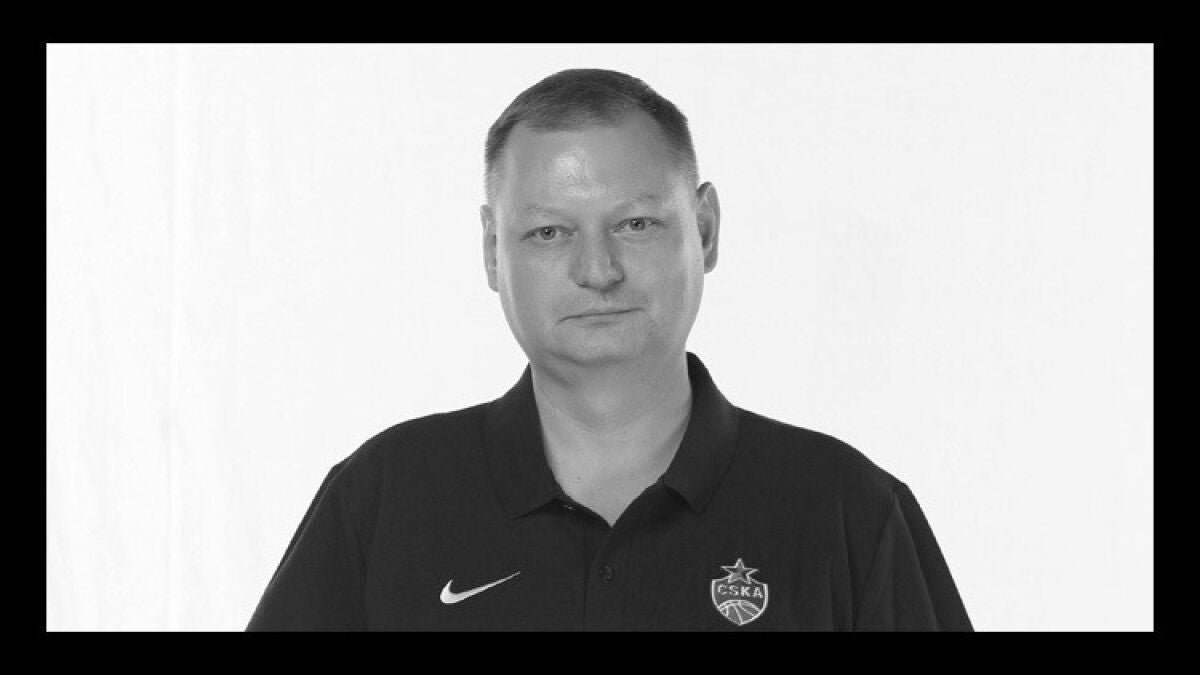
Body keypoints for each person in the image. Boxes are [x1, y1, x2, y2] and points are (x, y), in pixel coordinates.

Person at [246, 68, 973, 631]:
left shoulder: (845, 510)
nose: (597, 270)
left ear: (705, 228)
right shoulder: (387, 500)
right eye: (549, 232)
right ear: (493, 251)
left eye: (635, 225)